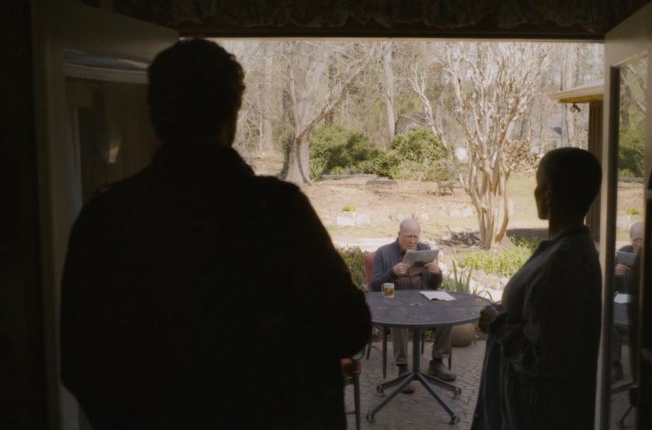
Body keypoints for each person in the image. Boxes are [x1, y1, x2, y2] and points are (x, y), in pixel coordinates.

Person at [59, 39, 371, 430]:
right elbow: (349, 327)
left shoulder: (106, 219)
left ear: (154, 115)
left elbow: (79, 363)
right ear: (232, 115)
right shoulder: (279, 212)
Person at [472, 147, 602, 430]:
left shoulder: (563, 263)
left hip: (537, 417)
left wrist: (497, 323)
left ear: (549, 194)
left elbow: (547, 357)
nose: (534, 192)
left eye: (538, 183)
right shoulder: (567, 249)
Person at [371, 218, 455, 393]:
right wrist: (392, 272)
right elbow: (374, 286)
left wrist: (437, 273)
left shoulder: (424, 250)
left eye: (415, 237)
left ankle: (437, 362)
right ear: (399, 235)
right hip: (395, 304)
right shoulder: (383, 253)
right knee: (399, 315)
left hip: (422, 304)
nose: (412, 241)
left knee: (446, 311)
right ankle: (402, 368)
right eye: (408, 236)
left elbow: (435, 285)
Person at [612, 221, 643, 381]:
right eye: (635, 240)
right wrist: (614, 274)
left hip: (644, 306)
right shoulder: (624, 253)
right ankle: (614, 366)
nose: (638, 244)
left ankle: (641, 369)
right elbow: (611, 287)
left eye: (642, 239)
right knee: (610, 323)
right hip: (623, 304)